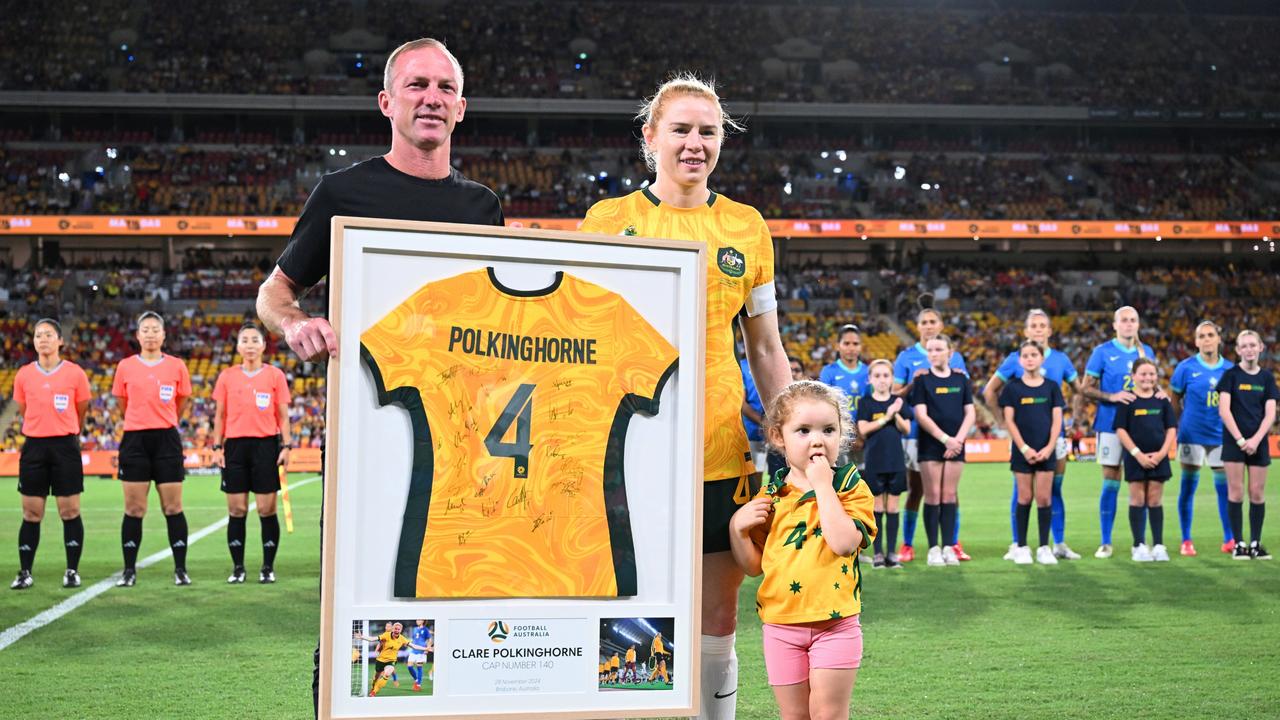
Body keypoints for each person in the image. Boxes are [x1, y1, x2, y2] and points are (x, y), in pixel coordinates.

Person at [253, 38, 503, 714]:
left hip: (463, 442)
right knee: (358, 599)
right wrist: (295, 325)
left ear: (461, 108)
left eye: (445, 88)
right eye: (417, 85)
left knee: (452, 595)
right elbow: (274, 293)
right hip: (369, 434)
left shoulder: (484, 207)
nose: (432, 98)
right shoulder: (343, 193)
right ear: (388, 102)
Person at [580, 74, 790, 720]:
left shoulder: (745, 226)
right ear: (650, 137)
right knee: (629, 604)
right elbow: (578, 337)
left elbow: (764, 347)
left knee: (717, 611)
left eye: (708, 132)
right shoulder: (608, 222)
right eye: (681, 129)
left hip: (718, 449)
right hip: (625, 450)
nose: (695, 143)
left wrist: (788, 435)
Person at [728, 380, 875, 720]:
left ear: (841, 434)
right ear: (779, 437)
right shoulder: (773, 495)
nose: (817, 440)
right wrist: (738, 529)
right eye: (803, 430)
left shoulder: (851, 487)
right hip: (781, 627)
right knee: (794, 716)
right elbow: (754, 566)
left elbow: (843, 542)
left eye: (828, 429)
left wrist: (823, 484)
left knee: (828, 714)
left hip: (835, 625)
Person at [983, 309, 1082, 561]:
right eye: (1033, 326)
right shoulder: (1015, 360)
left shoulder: (1061, 359)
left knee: (1052, 491)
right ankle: (1019, 543)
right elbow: (989, 391)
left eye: (1042, 325)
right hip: (1023, 438)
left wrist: (1075, 419)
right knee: (1022, 492)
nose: (1038, 329)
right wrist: (1001, 421)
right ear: (1026, 332)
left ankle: (1056, 543)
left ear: (1049, 330)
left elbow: (1078, 390)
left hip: (1054, 438)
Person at [111, 311, 193, 587]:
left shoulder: (177, 366)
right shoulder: (124, 367)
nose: (149, 334)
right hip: (135, 439)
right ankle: (129, 570)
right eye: (144, 329)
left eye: (154, 329)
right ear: (137, 335)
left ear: (163, 335)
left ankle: (180, 569)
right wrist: (141, 420)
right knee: (134, 508)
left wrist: (162, 420)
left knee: (173, 506)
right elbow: (122, 403)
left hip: (166, 440)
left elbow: (181, 401)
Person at [10, 319, 91, 590]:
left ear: (60, 341)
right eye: (38, 335)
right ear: (33, 341)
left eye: (48, 335)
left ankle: (71, 571)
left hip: (65, 446)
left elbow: (81, 407)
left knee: (70, 511)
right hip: (34, 446)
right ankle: (25, 572)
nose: (42, 339)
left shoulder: (75, 373)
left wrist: (63, 429)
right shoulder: (23, 375)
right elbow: (23, 409)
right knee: (31, 512)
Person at [209, 323, 292, 585]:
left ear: (263, 345)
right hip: (234, 447)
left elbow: (283, 415)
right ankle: (238, 568)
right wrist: (215, 447)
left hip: (265, 445)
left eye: (255, 340)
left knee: (267, 509)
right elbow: (219, 415)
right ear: (238, 347)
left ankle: (268, 567)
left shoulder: (275, 376)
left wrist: (286, 445)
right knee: (237, 510)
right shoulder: (227, 376)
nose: (250, 345)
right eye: (244, 340)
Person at [892, 298, 969, 563]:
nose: (928, 326)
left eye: (932, 322)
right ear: (917, 327)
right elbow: (895, 395)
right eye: (924, 322)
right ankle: (908, 544)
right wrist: (914, 384)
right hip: (917, 433)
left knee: (950, 492)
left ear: (941, 325)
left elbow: (963, 396)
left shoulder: (955, 358)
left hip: (948, 434)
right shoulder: (907, 357)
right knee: (918, 490)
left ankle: (952, 543)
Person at [1077, 306, 1157, 559]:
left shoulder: (1147, 351)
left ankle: (1140, 542)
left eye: (1133, 320)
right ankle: (1105, 541)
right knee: (1111, 481)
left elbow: (1150, 385)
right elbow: (1085, 388)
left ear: (1138, 324)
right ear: (1115, 325)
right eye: (1124, 320)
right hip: (1110, 424)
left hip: (1142, 427)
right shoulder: (1102, 352)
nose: (1129, 324)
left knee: (1141, 484)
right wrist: (1111, 396)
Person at [997, 341, 1066, 566]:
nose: (1029, 358)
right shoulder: (1012, 388)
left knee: (1044, 498)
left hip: (1047, 451)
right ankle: (1023, 547)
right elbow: (1009, 420)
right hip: (1022, 451)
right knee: (1024, 497)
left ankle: (1044, 547)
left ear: (1041, 358)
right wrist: (1024, 448)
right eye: (1025, 355)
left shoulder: (1052, 387)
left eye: (1033, 354)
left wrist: (1049, 448)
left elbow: (1057, 421)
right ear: (1020, 360)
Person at [909, 335, 975, 567]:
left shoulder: (961, 379)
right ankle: (933, 548)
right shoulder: (922, 381)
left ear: (950, 352)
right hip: (932, 444)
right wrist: (945, 439)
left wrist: (957, 440)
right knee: (933, 496)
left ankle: (948, 546)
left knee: (949, 496)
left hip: (956, 444)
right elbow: (921, 414)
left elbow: (970, 413)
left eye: (939, 349)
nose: (934, 353)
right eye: (931, 350)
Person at [1169, 321, 1234, 556]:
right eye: (1201, 336)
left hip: (1220, 436)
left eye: (1210, 335)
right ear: (1196, 341)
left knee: (1224, 490)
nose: (1206, 339)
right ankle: (1186, 540)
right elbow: (1175, 401)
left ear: (1218, 339)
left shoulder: (1230, 369)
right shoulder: (1185, 368)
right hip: (1191, 435)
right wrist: (1171, 430)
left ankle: (1230, 539)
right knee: (1188, 488)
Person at [1218, 330, 1278, 560]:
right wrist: (1242, 440)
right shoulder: (1230, 376)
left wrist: (1255, 440)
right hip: (1235, 443)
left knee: (1256, 492)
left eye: (1253, 345)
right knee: (1235, 492)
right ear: (1238, 350)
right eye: (1245, 346)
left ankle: (1255, 542)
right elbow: (1224, 411)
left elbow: (1270, 413)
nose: (1249, 349)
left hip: (1259, 443)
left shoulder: (1266, 378)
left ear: (1261, 347)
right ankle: (1239, 543)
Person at [1113, 358, 1177, 562]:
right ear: (1133, 377)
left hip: (1159, 457)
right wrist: (1137, 454)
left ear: (1156, 377)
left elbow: (1171, 429)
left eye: (1151, 374)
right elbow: (1121, 430)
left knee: (1155, 499)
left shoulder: (1162, 401)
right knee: (1138, 499)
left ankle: (1158, 544)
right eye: (1143, 374)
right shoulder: (1127, 401)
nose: (1147, 377)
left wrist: (1161, 454)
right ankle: (1139, 544)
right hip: (1135, 458)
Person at [855, 359, 912, 568]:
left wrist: (895, 412)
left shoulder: (899, 402)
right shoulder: (866, 402)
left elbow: (906, 429)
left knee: (894, 507)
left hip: (896, 460)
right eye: (877, 376)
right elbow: (863, 429)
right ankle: (878, 554)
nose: (881, 380)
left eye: (886, 376)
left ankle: (892, 554)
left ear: (891, 379)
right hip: (875, 461)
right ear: (870, 379)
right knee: (878, 506)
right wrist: (886, 416)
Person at [819, 324, 869, 413]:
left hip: (864, 425)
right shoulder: (828, 371)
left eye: (855, 344)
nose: (851, 348)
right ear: (837, 346)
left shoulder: (868, 372)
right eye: (846, 343)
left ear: (860, 347)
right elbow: (823, 403)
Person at [406, 619, 432, 690]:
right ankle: (417, 680)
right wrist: (408, 643)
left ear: (423, 621)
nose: (417, 621)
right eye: (417, 620)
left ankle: (419, 684)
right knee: (409, 666)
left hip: (421, 651)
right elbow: (413, 639)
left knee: (419, 667)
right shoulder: (414, 629)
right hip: (413, 651)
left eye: (419, 620)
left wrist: (427, 648)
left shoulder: (425, 629)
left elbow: (429, 639)